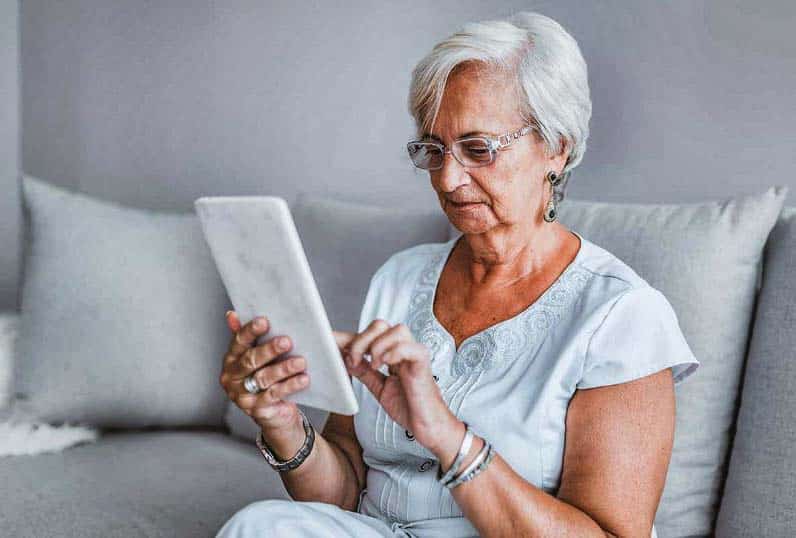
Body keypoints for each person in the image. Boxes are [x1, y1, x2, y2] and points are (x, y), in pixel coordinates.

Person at [216, 11, 699, 538]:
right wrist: (284, 425)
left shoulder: (622, 316)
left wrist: (447, 435)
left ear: (556, 147)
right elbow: (347, 491)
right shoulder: (401, 277)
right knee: (259, 524)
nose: (448, 178)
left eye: (478, 149)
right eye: (433, 149)